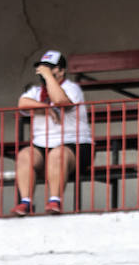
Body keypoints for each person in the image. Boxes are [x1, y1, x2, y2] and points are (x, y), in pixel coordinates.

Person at [13, 49, 92, 217]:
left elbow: (61, 101)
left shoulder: (72, 88)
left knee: (58, 154)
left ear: (62, 71)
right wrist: (47, 108)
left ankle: (55, 200)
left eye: (50, 67)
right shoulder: (35, 92)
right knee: (25, 155)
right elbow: (22, 103)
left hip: (76, 145)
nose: (44, 71)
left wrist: (49, 77)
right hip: (42, 145)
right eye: (42, 67)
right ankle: (25, 202)